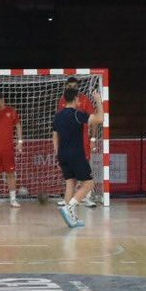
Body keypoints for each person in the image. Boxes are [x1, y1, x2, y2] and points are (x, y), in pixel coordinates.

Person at [53, 75, 100, 207]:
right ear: (66, 88)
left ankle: (86, 198)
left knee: (82, 172)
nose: (72, 88)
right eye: (69, 87)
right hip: (69, 142)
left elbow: (94, 121)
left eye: (74, 86)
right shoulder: (62, 102)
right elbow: (57, 127)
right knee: (75, 178)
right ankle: (72, 203)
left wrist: (93, 138)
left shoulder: (84, 100)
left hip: (82, 138)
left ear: (78, 88)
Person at [52, 87, 95, 228]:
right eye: (79, 98)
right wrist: (100, 103)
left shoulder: (58, 116)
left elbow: (54, 136)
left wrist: (58, 154)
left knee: (70, 184)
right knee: (89, 184)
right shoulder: (78, 114)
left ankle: (72, 219)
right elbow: (100, 119)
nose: (80, 101)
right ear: (76, 99)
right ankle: (69, 207)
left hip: (62, 155)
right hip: (76, 155)